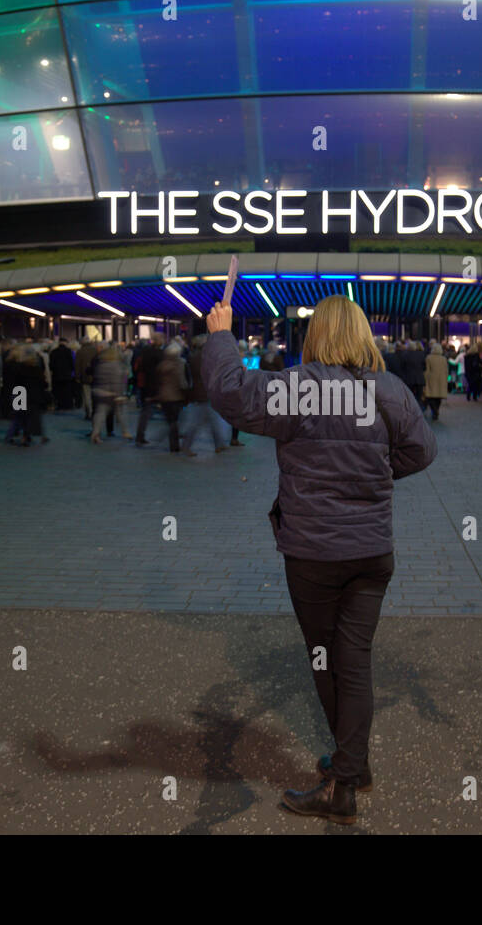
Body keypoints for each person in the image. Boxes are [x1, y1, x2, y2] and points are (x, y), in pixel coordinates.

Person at [202, 293, 436, 825]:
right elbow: (422, 450)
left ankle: (343, 787)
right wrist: (371, 476)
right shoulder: (388, 390)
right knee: (354, 659)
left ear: (316, 336)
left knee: (327, 660)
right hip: (373, 551)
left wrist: (221, 335)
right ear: (360, 334)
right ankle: (353, 765)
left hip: (314, 552)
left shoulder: (297, 388)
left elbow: (231, 394)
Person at [179, 334, 228, 454]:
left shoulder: (193, 357)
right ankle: (187, 446)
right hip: (207, 393)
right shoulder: (209, 358)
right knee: (200, 422)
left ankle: (219, 444)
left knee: (211, 420)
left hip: (199, 393)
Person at [90, 345, 130, 442]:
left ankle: (95, 433)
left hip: (100, 392)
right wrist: (120, 394)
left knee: (100, 415)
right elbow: (118, 381)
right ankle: (125, 432)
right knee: (120, 414)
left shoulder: (100, 365)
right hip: (113, 393)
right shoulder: (117, 365)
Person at [50, 337, 76, 411]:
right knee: (67, 390)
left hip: (56, 374)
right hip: (67, 374)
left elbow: (51, 364)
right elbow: (72, 363)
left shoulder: (54, 352)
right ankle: (67, 405)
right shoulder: (69, 351)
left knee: (58, 391)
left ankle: (59, 405)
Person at [423, 341, 448, 420]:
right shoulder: (443, 358)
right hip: (441, 378)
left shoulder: (429, 357)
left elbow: (427, 369)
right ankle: (436, 410)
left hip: (431, 378)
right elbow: (446, 369)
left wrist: (425, 377)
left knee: (431, 396)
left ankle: (434, 411)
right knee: (438, 396)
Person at [76, 340, 98, 422]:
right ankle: (94, 411)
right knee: (94, 395)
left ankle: (89, 412)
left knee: (87, 396)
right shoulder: (96, 350)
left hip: (84, 377)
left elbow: (77, 365)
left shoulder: (80, 351)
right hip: (95, 376)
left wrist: (77, 376)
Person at [401, 339, 426, 407]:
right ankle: (419, 410)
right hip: (419, 378)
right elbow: (424, 367)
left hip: (409, 379)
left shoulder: (405, 355)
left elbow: (402, 367)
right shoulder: (421, 354)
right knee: (419, 397)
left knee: (410, 397)